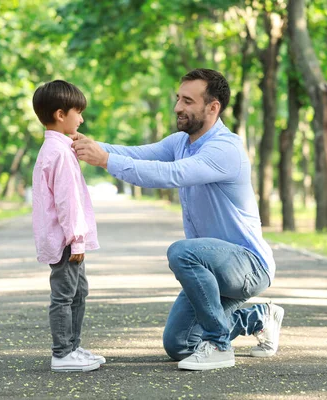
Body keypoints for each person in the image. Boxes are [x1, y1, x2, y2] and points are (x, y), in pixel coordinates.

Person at [72, 69, 284, 371]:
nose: (177, 108)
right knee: (179, 345)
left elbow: (171, 174)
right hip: (211, 268)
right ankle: (259, 318)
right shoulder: (181, 141)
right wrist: (89, 145)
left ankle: (220, 347)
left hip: (248, 265)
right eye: (177, 99)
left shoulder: (225, 149)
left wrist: (104, 160)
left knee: (181, 252)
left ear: (213, 107)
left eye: (187, 100)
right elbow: (139, 154)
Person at [31, 80, 105, 372]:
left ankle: (72, 347)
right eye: (78, 112)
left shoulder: (59, 148)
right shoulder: (58, 153)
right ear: (61, 114)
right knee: (64, 295)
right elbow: (67, 201)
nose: (82, 119)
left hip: (66, 238)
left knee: (78, 291)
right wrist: (77, 239)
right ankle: (62, 353)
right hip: (65, 239)